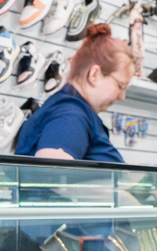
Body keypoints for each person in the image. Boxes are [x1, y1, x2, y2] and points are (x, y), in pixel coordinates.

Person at [14, 23, 132, 163]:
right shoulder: (70, 115)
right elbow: (49, 173)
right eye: (120, 86)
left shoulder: (72, 111)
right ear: (94, 74)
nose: (122, 96)